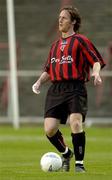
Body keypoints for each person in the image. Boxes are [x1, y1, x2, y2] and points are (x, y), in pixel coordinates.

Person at [32, 6, 105, 173]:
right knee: (49, 129)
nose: (60, 20)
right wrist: (38, 82)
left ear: (73, 21)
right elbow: (48, 70)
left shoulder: (81, 41)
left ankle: (79, 165)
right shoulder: (54, 46)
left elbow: (95, 61)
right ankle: (66, 153)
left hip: (75, 88)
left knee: (76, 123)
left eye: (64, 18)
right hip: (56, 89)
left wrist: (96, 74)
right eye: (59, 17)